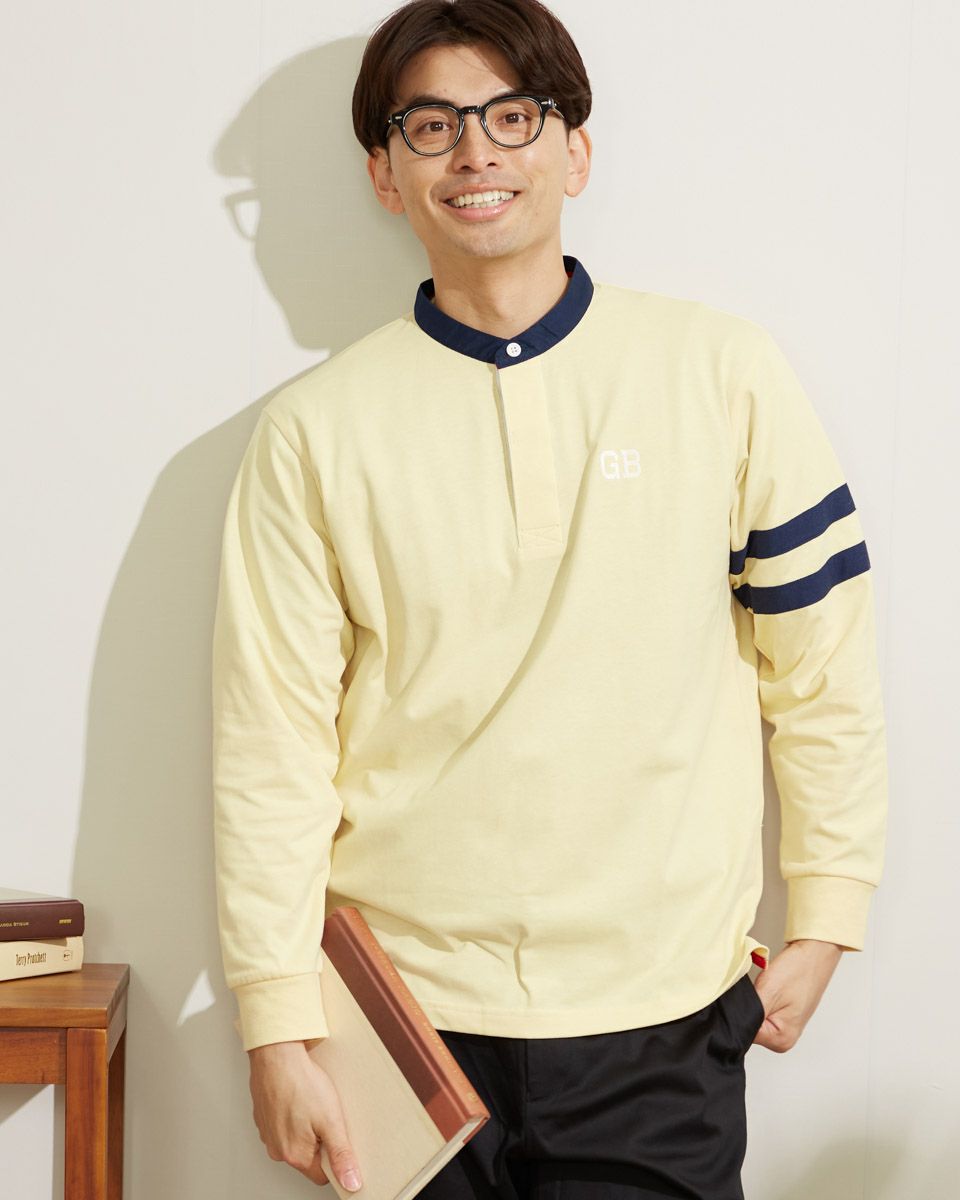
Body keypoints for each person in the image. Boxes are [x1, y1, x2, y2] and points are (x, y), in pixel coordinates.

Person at [211, 1, 888, 1196]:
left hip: (664, 1014)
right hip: (403, 1030)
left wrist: (830, 914)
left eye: (511, 117)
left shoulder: (722, 374)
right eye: (431, 125)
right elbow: (270, 746)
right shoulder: (313, 434)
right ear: (384, 173)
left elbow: (823, 665)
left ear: (574, 149)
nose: (475, 152)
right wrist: (274, 1021)